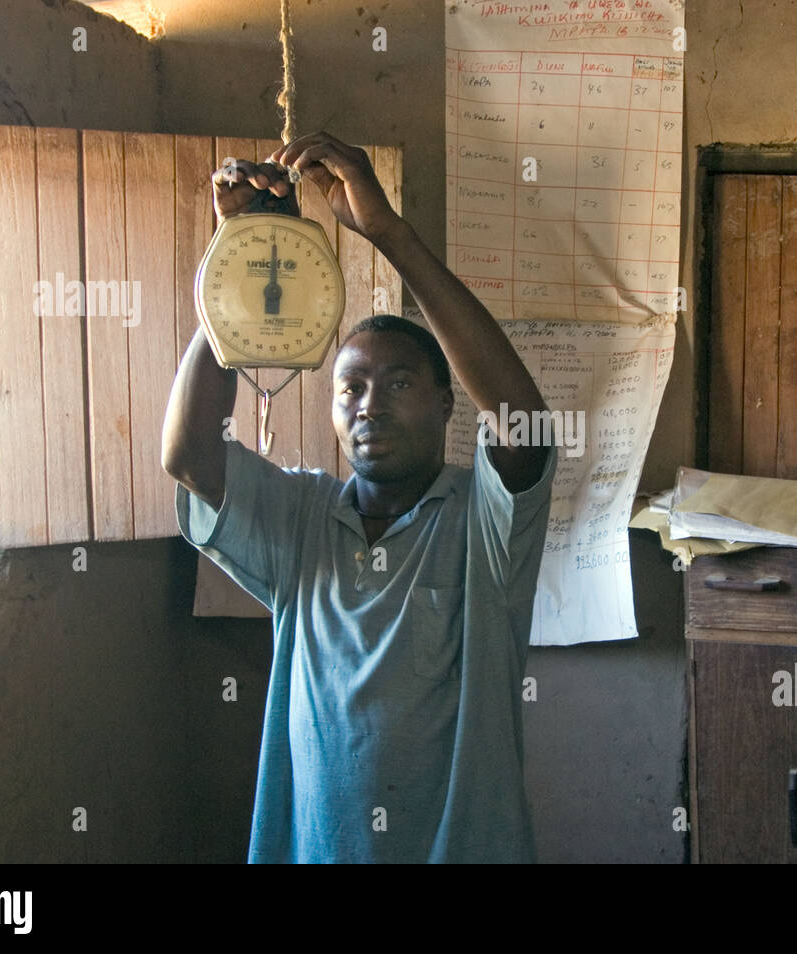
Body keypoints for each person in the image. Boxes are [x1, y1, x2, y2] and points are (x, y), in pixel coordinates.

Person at [161, 131, 556, 863]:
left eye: (400, 384)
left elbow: (525, 426)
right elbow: (188, 457)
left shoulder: (484, 522)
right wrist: (237, 252)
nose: (369, 407)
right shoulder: (302, 517)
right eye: (351, 388)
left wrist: (387, 234)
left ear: (446, 405)